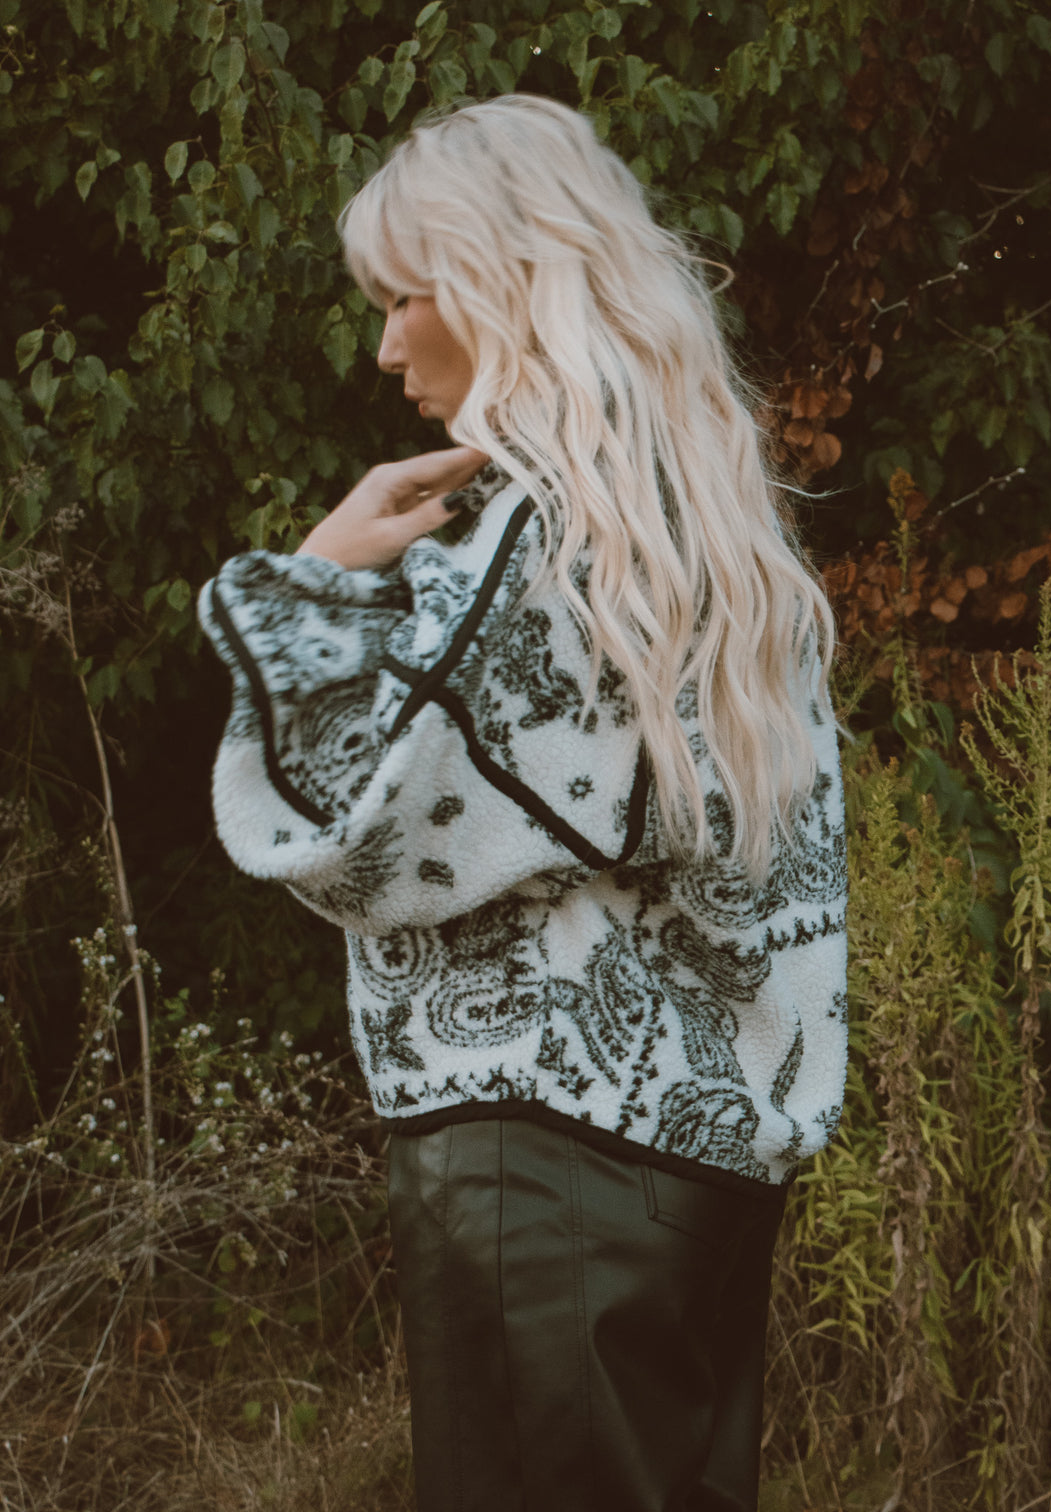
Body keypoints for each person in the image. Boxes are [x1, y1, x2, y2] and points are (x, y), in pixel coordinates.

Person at [199, 93, 847, 1512]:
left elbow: (350, 840)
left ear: (506, 283)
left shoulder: (541, 540)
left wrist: (311, 585)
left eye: (404, 297)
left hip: (540, 1156)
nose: (386, 348)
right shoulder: (700, 526)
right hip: (698, 1159)